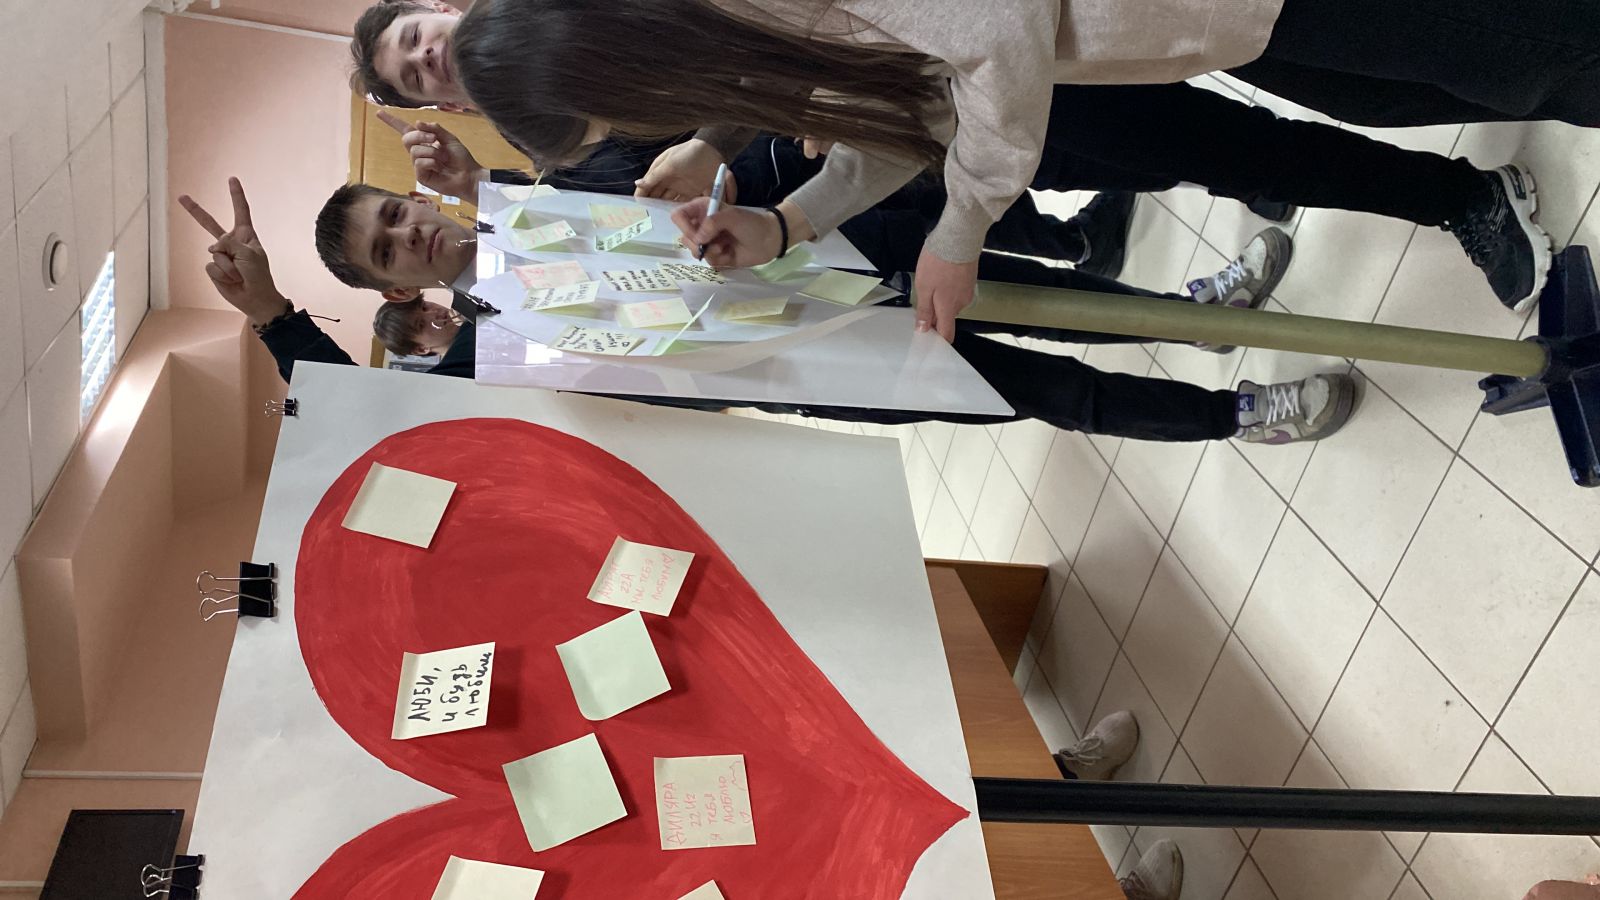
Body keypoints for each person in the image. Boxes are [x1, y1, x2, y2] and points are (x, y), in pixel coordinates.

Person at [440, 0, 1596, 334]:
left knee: (1527, 53)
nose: (643, 130)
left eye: (618, 115)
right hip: (1180, 31)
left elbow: (992, 34)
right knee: (1410, 85)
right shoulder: (735, 39)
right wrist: (788, 226)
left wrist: (963, 227)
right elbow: (904, 114)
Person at [178, 176, 1352, 445]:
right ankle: (1241, 415)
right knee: (1058, 392)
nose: (409, 234)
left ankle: (1201, 310)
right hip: (833, 367)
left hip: (833, 261)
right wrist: (274, 314)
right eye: (388, 250)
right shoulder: (488, 351)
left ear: (417, 196)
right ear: (396, 290)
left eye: (396, 212)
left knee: (1055, 300)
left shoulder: (533, 195)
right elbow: (367, 413)